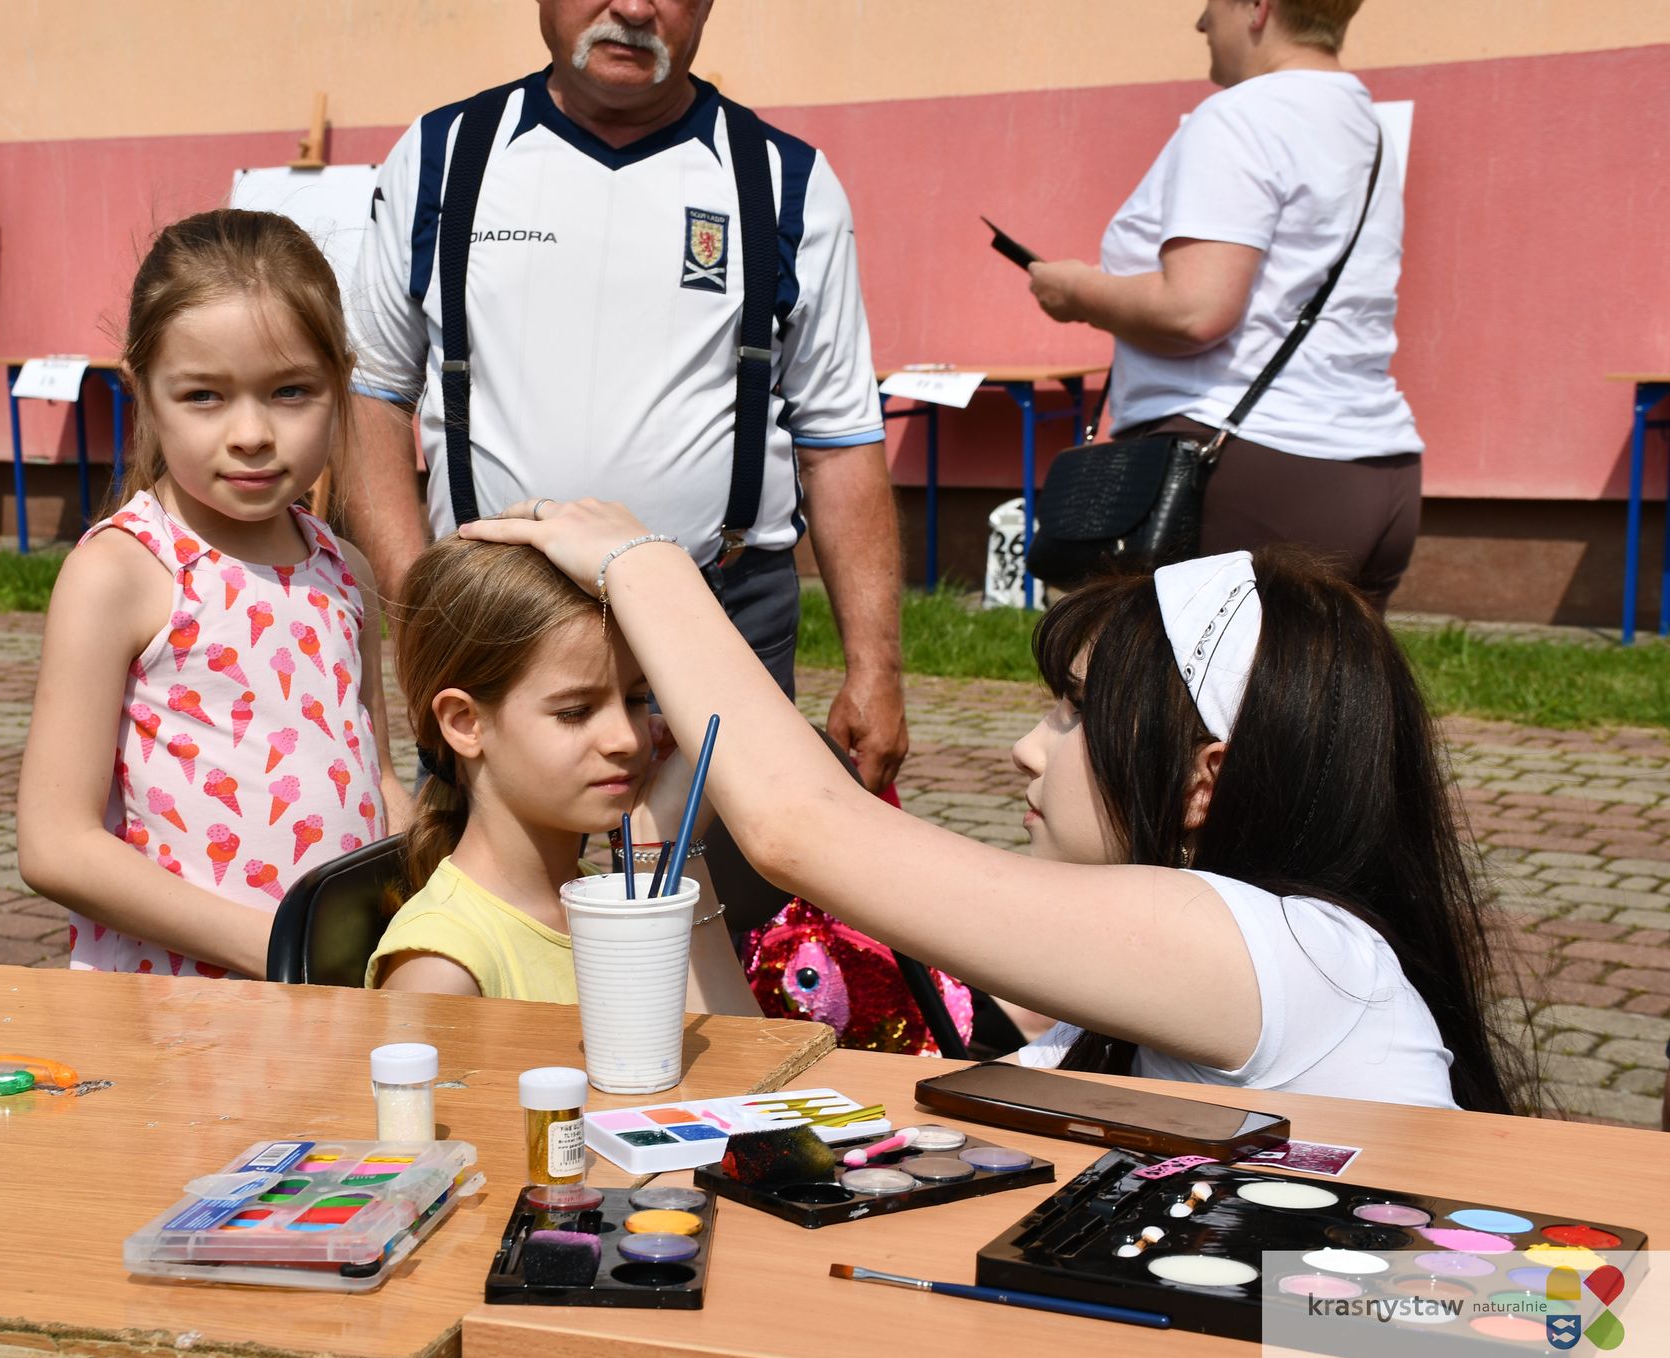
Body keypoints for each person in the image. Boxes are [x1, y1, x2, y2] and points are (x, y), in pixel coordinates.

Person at [466, 497, 1529, 1112]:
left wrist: (641, 561)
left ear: (1203, 782)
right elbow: (780, 1119)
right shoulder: (1165, 980)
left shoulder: (1275, 951)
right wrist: (674, 861)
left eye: (1073, 714)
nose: (1025, 748)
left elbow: (802, 827)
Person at [341, 0, 909, 791]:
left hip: (723, 618)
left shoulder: (785, 180)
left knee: (720, 870)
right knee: (492, 873)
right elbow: (370, 398)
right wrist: (418, 616)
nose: (636, 7)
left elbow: (839, 440)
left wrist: (875, 668)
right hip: (492, 618)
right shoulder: (444, 155)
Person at [17, 210, 407, 979]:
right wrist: (279, 950)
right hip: (174, 1016)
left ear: (341, 380)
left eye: (291, 391)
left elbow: (379, 781)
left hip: (334, 1000)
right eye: (204, 395)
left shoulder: (345, 571)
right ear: (142, 391)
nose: (251, 433)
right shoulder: (124, 574)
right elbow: (55, 843)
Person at [1026, 0, 1423, 611]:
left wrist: (1075, 291)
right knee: (1325, 678)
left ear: (1258, 7)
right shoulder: (1359, 121)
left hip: (1247, 466)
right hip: (1372, 467)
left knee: (1177, 676)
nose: (1201, 22)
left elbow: (1195, 311)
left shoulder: (1242, 114)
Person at [366, 537, 757, 1015]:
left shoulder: (599, 898)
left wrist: (667, 838)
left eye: (636, 700)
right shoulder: (443, 969)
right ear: (465, 723)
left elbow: (746, 1055)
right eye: (575, 711)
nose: (627, 738)